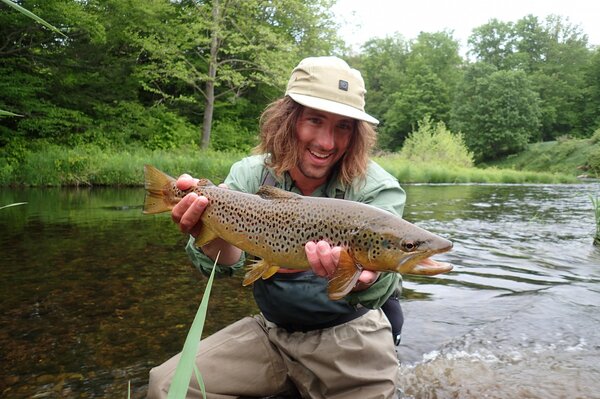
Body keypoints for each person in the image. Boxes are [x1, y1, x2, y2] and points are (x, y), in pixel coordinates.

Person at [147, 56, 406, 399]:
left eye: (343, 126)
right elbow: (226, 264)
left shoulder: (377, 188)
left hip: (350, 334)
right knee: (166, 387)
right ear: (287, 120)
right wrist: (209, 233)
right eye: (315, 120)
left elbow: (384, 279)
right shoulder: (250, 175)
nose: (327, 142)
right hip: (272, 333)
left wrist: (362, 277)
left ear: (356, 134)